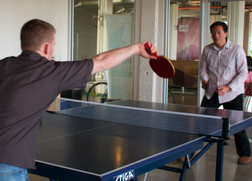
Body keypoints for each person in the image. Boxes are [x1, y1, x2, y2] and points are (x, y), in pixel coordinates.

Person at [0, 19, 157, 180]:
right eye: (54, 44)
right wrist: (138, 48)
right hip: (7, 164)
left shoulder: (3, 65)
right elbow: (102, 62)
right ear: (47, 47)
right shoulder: (52, 72)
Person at [199, 21, 250, 165]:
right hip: (212, 92)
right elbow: (203, 69)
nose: (216, 35)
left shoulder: (237, 50)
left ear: (226, 34)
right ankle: (188, 153)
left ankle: (245, 154)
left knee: (237, 124)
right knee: (200, 122)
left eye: (219, 32)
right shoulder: (207, 50)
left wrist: (229, 87)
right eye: (213, 32)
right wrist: (204, 80)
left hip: (232, 93)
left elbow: (242, 73)